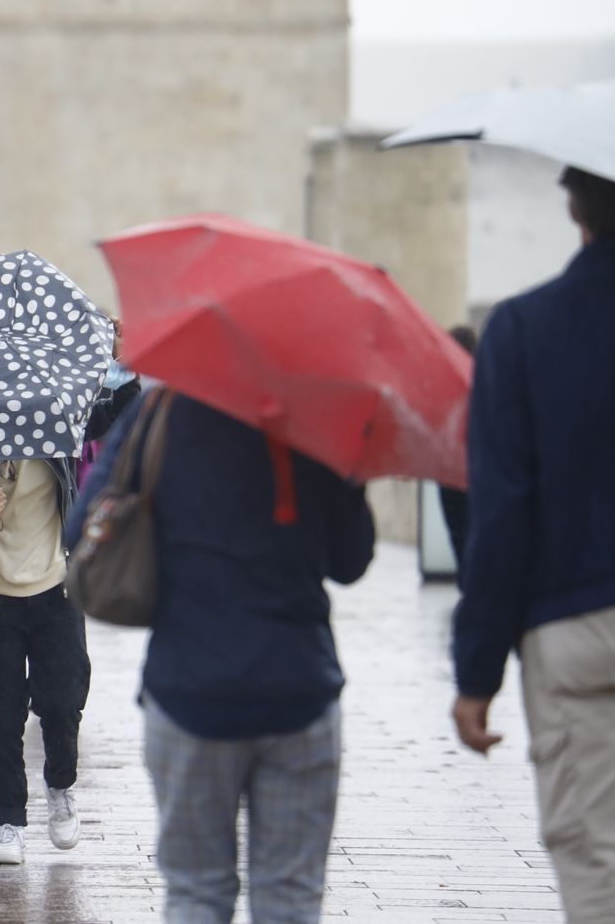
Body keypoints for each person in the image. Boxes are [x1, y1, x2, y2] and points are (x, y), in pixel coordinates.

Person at [65, 391, 374, 923]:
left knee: (196, 894)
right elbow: (350, 560)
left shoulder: (161, 407)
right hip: (298, 686)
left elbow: (81, 528)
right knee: (291, 897)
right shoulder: (319, 412)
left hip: (189, 689)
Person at [450, 166, 615, 922]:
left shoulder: (526, 328)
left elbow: (503, 512)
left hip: (579, 618)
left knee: (604, 856)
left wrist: (477, 669)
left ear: (575, 205)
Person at [0, 457, 91, 866]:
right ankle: (10, 821)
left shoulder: (56, 432)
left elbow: (110, 414)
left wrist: (120, 387)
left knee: (61, 701)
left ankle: (59, 786)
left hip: (56, 589)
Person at [437, 324, 478, 568]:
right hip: (477, 474)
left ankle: (467, 583)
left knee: (459, 534)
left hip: (449, 475)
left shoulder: (446, 383)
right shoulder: (485, 383)